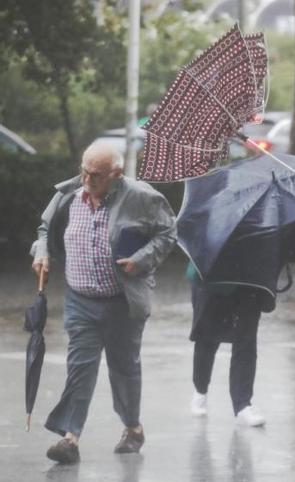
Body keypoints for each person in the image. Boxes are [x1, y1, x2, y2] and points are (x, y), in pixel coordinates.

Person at [31, 143, 177, 464]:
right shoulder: (68, 194)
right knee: (79, 368)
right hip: (80, 300)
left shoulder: (141, 196)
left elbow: (167, 232)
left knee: (123, 368)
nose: (86, 178)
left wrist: (141, 259)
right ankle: (70, 438)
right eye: (84, 169)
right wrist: (42, 252)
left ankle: (132, 427)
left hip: (121, 302)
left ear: (116, 174)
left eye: (95, 174)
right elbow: (45, 229)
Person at [187, 266, 267, 427]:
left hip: (251, 279)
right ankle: (200, 389)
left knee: (246, 340)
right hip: (212, 274)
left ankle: (243, 404)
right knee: (207, 336)